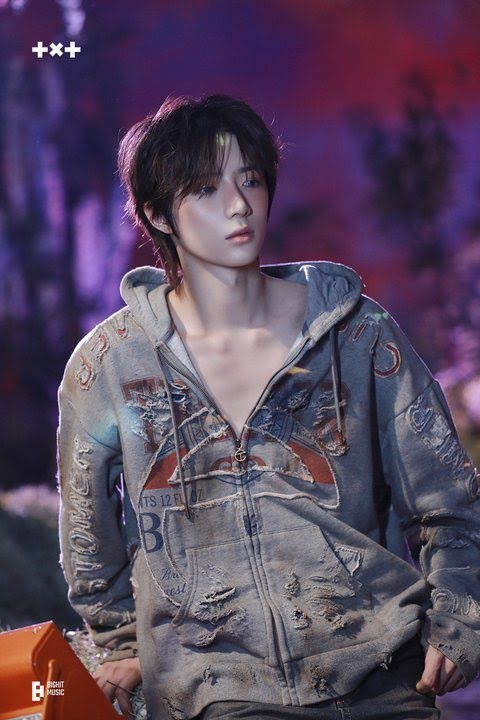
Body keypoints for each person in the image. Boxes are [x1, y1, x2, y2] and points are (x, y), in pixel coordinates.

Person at [57, 94, 480, 720]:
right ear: (158, 215)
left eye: (250, 179)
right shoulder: (112, 364)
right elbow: (87, 533)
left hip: (382, 675)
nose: (239, 205)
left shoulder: (358, 335)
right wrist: (123, 643)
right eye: (206, 189)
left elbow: (450, 499)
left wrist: (460, 617)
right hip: (216, 691)